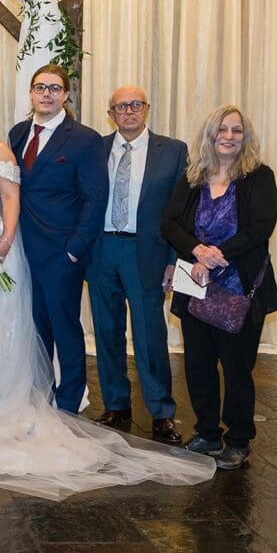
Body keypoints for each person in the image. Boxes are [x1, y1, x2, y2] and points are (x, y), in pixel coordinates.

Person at [0, 86, 216, 500]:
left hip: (41, 249)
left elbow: (26, 197)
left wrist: (4, 239)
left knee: (97, 328)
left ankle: (125, 408)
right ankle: (109, 404)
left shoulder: (22, 145)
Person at [162, 104, 277, 470]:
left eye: (236, 131)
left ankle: (239, 439)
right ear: (210, 136)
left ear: (245, 137)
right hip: (194, 286)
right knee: (198, 364)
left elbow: (260, 227)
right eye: (222, 130)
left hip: (239, 289)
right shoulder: (193, 176)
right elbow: (169, 223)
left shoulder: (258, 177)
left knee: (236, 368)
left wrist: (216, 254)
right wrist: (196, 249)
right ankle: (208, 432)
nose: (229, 137)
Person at [86, 86, 188, 444]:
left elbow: (180, 212)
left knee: (149, 335)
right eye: (120, 106)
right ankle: (116, 405)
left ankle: (162, 412)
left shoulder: (173, 151)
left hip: (147, 253)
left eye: (135, 105)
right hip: (101, 250)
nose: (128, 111)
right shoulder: (95, 148)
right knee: (107, 331)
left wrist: (175, 260)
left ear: (146, 108)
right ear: (110, 113)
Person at [8, 64, 108, 413]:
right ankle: (40, 393)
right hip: (22, 249)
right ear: (31, 93)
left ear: (66, 95)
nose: (46, 94)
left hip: (61, 254)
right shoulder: (18, 133)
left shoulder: (85, 139)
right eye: (40, 87)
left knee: (65, 327)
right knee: (35, 328)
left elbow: (96, 198)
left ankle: (68, 402)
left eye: (54, 88)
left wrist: (74, 250)